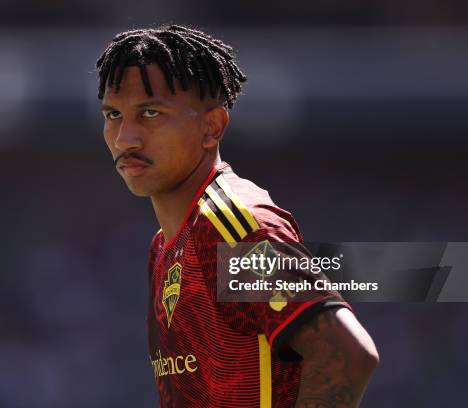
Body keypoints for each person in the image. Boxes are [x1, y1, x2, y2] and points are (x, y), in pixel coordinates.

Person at [95, 24, 379, 408]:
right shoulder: (165, 245)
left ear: (211, 127)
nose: (125, 138)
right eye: (114, 114)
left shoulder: (230, 226)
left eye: (150, 113)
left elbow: (346, 356)